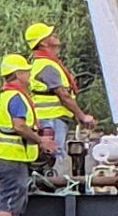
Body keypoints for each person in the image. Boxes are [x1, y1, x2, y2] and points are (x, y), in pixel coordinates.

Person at [0, 54, 46, 216]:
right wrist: (40, 140)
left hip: (13, 156)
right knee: (9, 200)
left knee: (15, 199)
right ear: (18, 74)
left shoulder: (6, 95)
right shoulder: (16, 97)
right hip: (11, 156)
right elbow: (19, 125)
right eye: (26, 71)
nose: (29, 74)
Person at [25, 22, 96, 159]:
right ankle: (54, 179)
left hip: (51, 118)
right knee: (56, 156)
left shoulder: (45, 63)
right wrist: (82, 116)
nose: (55, 35)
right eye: (50, 34)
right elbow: (64, 96)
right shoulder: (47, 66)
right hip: (51, 119)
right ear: (43, 43)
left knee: (53, 156)